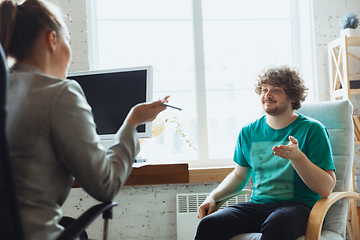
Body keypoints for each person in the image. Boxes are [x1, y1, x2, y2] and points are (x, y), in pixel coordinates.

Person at [0, 0, 169, 239]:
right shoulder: (60, 93)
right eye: (68, 41)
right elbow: (106, 185)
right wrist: (131, 123)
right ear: (53, 40)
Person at [195, 65, 336, 240]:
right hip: (258, 207)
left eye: (276, 90)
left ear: (292, 96)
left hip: (299, 208)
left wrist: (297, 157)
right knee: (209, 224)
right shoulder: (249, 131)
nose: (267, 95)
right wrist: (213, 197)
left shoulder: (313, 130)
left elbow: (326, 188)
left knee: (277, 222)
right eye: (264, 89)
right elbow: (239, 176)